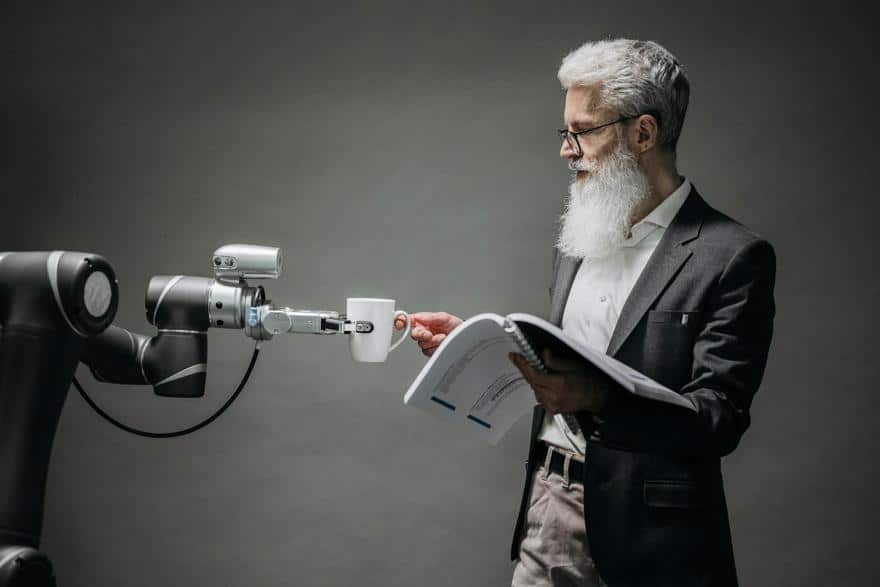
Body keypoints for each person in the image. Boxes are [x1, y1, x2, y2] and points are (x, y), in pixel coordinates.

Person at [394, 38, 775, 587]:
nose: (566, 149)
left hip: (657, 540)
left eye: (582, 130)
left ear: (643, 133)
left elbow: (719, 419)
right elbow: (566, 368)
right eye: (565, 131)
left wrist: (599, 400)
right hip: (548, 508)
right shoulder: (578, 237)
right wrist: (482, 346)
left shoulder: (733, 255)